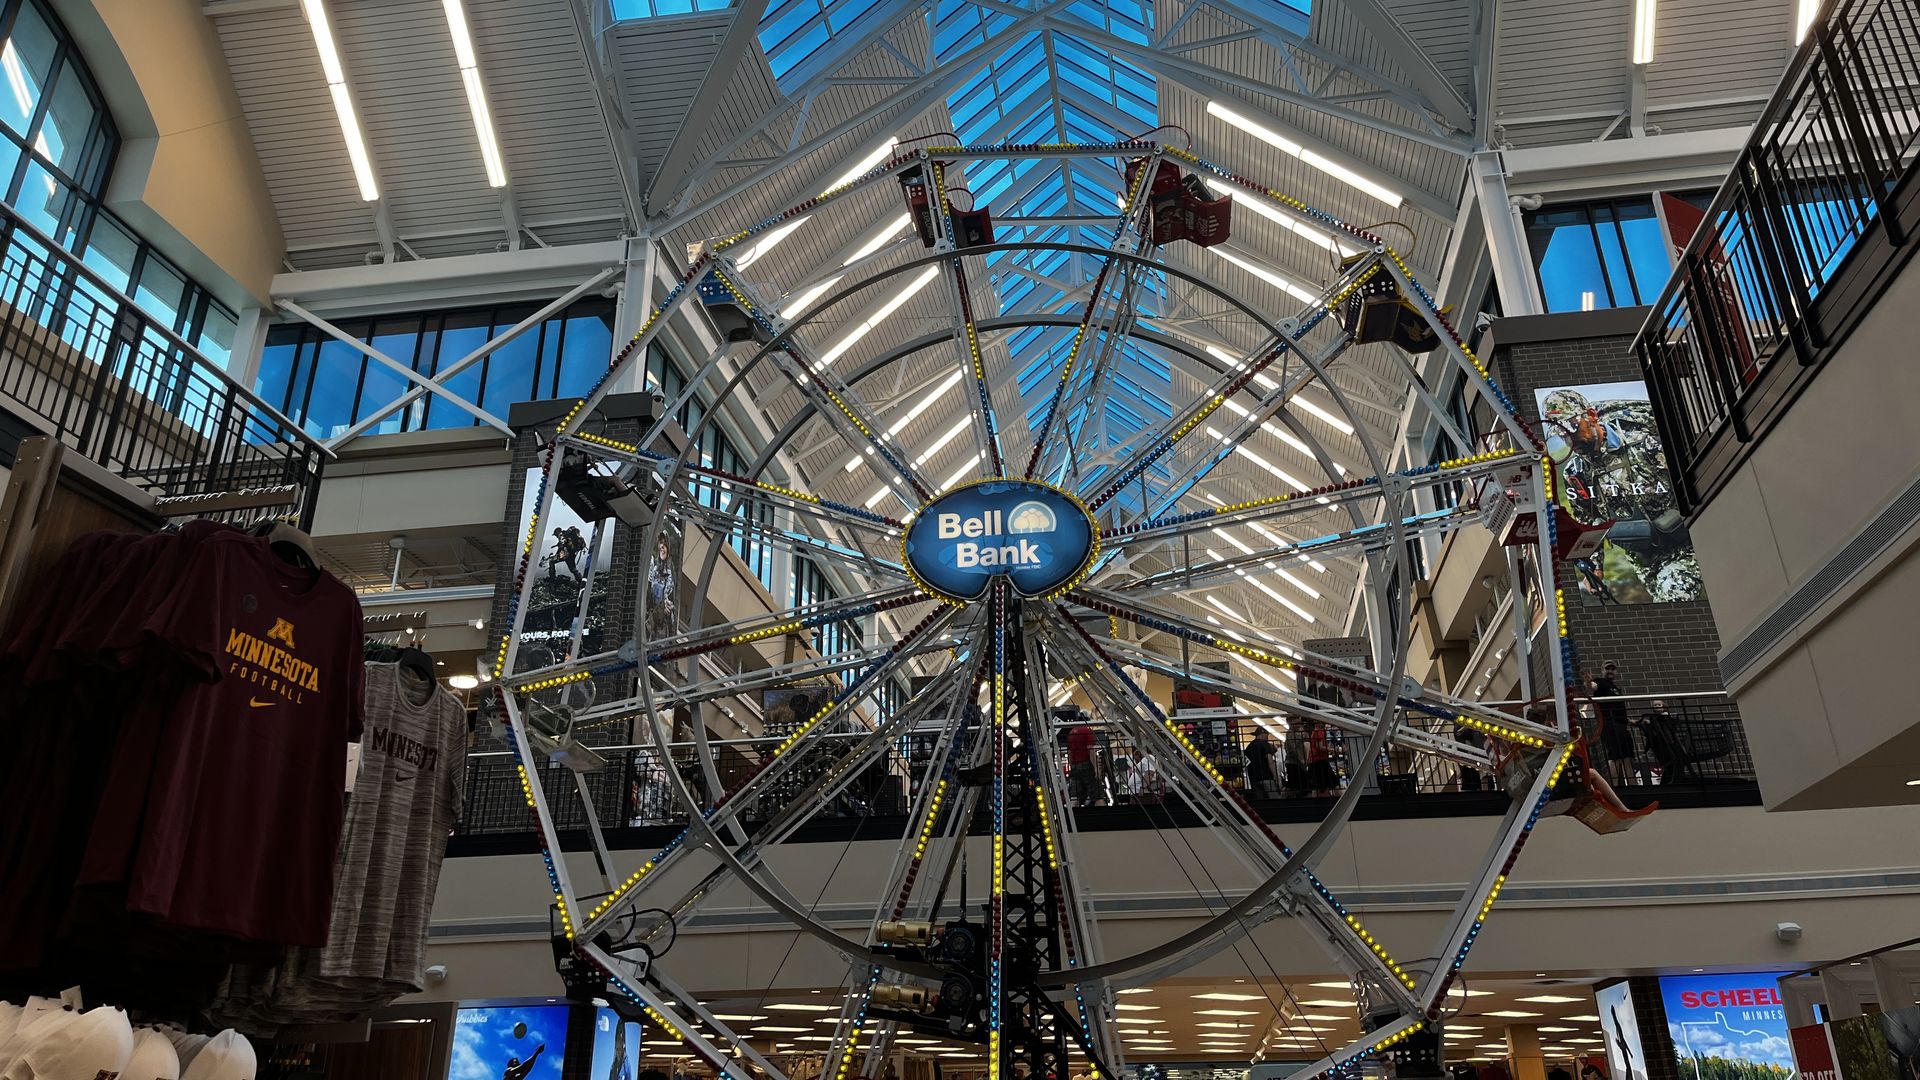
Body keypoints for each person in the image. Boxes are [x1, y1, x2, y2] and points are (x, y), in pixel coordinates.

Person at [1589, 661, 1635, 785]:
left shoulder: (1615, 688)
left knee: (1627, 756)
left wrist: (1628, 721)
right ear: (1602, 670)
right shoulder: (1600, 681)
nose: (1610, 671)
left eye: (1612, 669)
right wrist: (1588, 682)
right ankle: (1611, 788)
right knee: (1615, 755)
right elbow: (1592, 686)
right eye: (1607, 668)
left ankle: (1633, 784)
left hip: (1620, 724)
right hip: (1609, 723)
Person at [1634, 700, 1687, 784]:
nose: (1657, 706)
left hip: (1671, 744)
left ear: (1663, 706)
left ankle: (1671, 780)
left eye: (1659, 704)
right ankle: (1670, 781)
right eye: (1655, 705)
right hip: (1665, 746)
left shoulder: (1665, 717)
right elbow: (1652, 734)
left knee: (1675, 763)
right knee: (1672, 764)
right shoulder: (1654, 719)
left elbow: (1672, 727)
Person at [647, 536, 677, 640]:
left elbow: (672, 597)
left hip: (663, 618)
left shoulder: (670, 569)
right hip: (652, 613)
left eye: (665, 545)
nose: (662, 548)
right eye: (661, 544)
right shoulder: (653, 564)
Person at [1066, 722, 1098, 806]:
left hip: (1075, 766)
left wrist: (1071, 766)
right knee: (1097, 795)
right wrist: (1096, 768)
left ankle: (1074, 816)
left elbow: (1069, 752)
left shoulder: (1071, 732)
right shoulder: (1087, 731)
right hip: (1086, 765)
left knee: (1074, 796)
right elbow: (1090, 750)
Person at [1245, 728, 1278, 799]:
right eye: (1267, 736)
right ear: (1263, 734)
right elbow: (1270, 761)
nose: (1267, 738)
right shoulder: (1265, 744)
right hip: (1267, 777)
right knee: (1275, 801)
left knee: (1261, 802)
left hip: (1254, 778)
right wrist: (1276, 777)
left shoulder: (1249, 747)